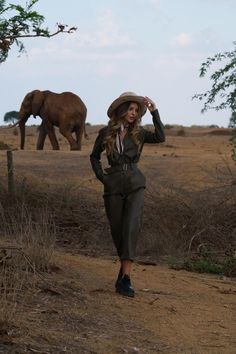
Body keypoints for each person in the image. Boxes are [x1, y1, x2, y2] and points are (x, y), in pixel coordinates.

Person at [90, 92, 165, 297]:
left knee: (131, 227)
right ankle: (123, 271)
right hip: (113, 185)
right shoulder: (106, 132)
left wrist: (154, 111)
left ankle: (126, 279)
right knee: (118, 231)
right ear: (121, 110)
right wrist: (103, 178)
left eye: (136, 110)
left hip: (135, 183)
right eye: (130, 109)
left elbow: (160, 137)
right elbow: (94, 157)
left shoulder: (139, 133)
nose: (133, 113)